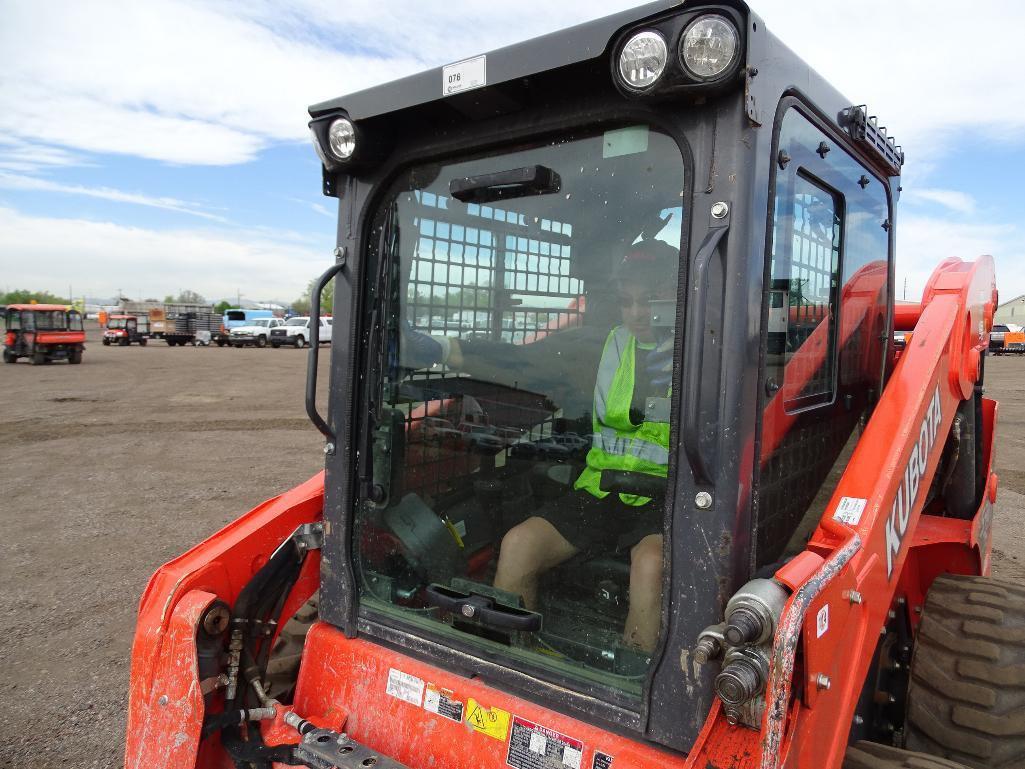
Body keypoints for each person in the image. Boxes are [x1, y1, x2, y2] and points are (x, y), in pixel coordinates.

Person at [403, 241, 677, 653]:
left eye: (650, 301)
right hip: (602, 490)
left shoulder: (706, 352)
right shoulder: (604, 347)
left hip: (669, 500)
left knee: (651, 565)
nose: (638, 314)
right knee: (519, 544)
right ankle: (512, 664)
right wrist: (440, 349)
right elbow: (520, 361)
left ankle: (635, 682)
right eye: (627, 302)